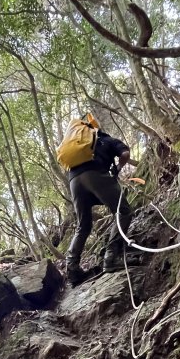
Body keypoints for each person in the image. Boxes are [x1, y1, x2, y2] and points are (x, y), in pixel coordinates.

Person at [65, 120, 133, 286]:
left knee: (83, 225)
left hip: (74, 181)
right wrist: (117, 169)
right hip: (94, 174)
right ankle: (111, 257)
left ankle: (72, 269)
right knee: (123, 211)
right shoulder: (108, 140)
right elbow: (125, 154)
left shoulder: (78, 143)